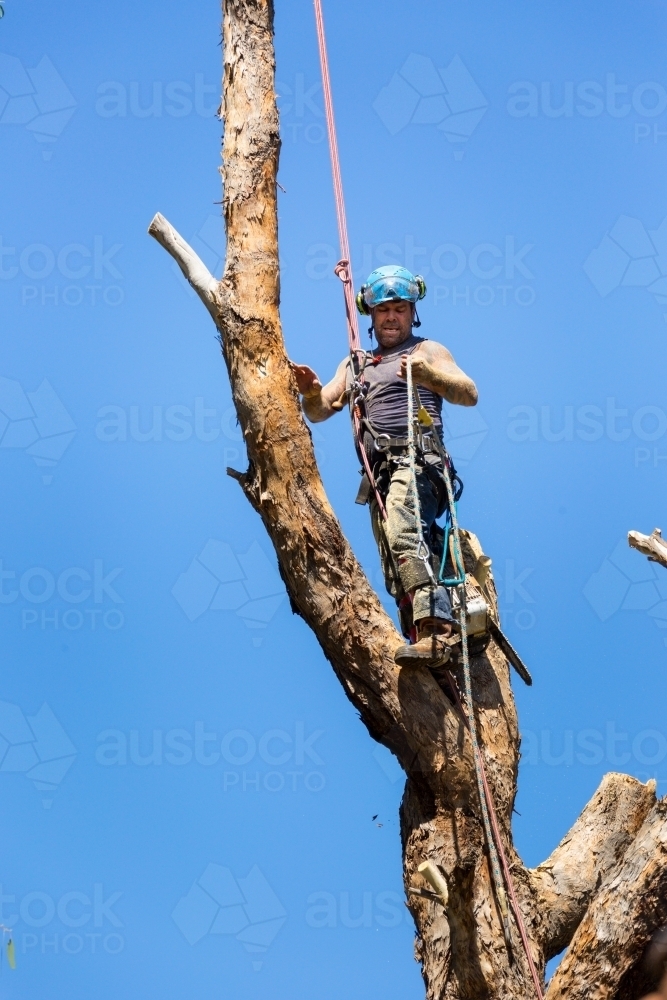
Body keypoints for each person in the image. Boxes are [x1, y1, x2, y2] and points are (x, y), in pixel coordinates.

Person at [291, 265, 478, 667]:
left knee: (403, 529)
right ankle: (419, 636)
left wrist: (427, 374)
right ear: (370, 316)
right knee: (395, 562)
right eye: (382, 310)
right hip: (380, 474)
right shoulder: (357, 364)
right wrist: (308, 391)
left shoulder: (426, 350)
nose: (391, 317)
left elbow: (469, 393)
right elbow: (322, 409)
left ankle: (436, 631)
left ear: (413, 314)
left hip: (417, 462)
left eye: (400, 309)